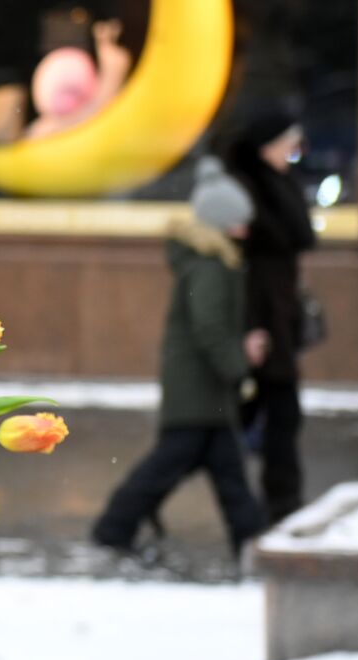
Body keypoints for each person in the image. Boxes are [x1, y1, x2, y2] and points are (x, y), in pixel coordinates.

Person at [92, 156, 266, 561]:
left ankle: (251, 541)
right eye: (240, 219)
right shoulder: (209, 268)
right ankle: (114, 526)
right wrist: (238, 365)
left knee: (225, 471)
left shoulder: (215, 262)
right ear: (221, 223)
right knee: (173, 465)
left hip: (204, 392)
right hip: (197, 390)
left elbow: (213, 327)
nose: (246, 226)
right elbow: (209, 328)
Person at [222, 104, 317, 525]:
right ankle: (279, 503)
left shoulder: (278, 183)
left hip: (278, 313)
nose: (293, 156)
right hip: (259, 317)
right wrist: (250, 328)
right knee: (247, 418)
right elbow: (243, 269)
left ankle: (280, 501)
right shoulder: (247, 190)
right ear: (267, 148)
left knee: (270, 414)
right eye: (288, 148)